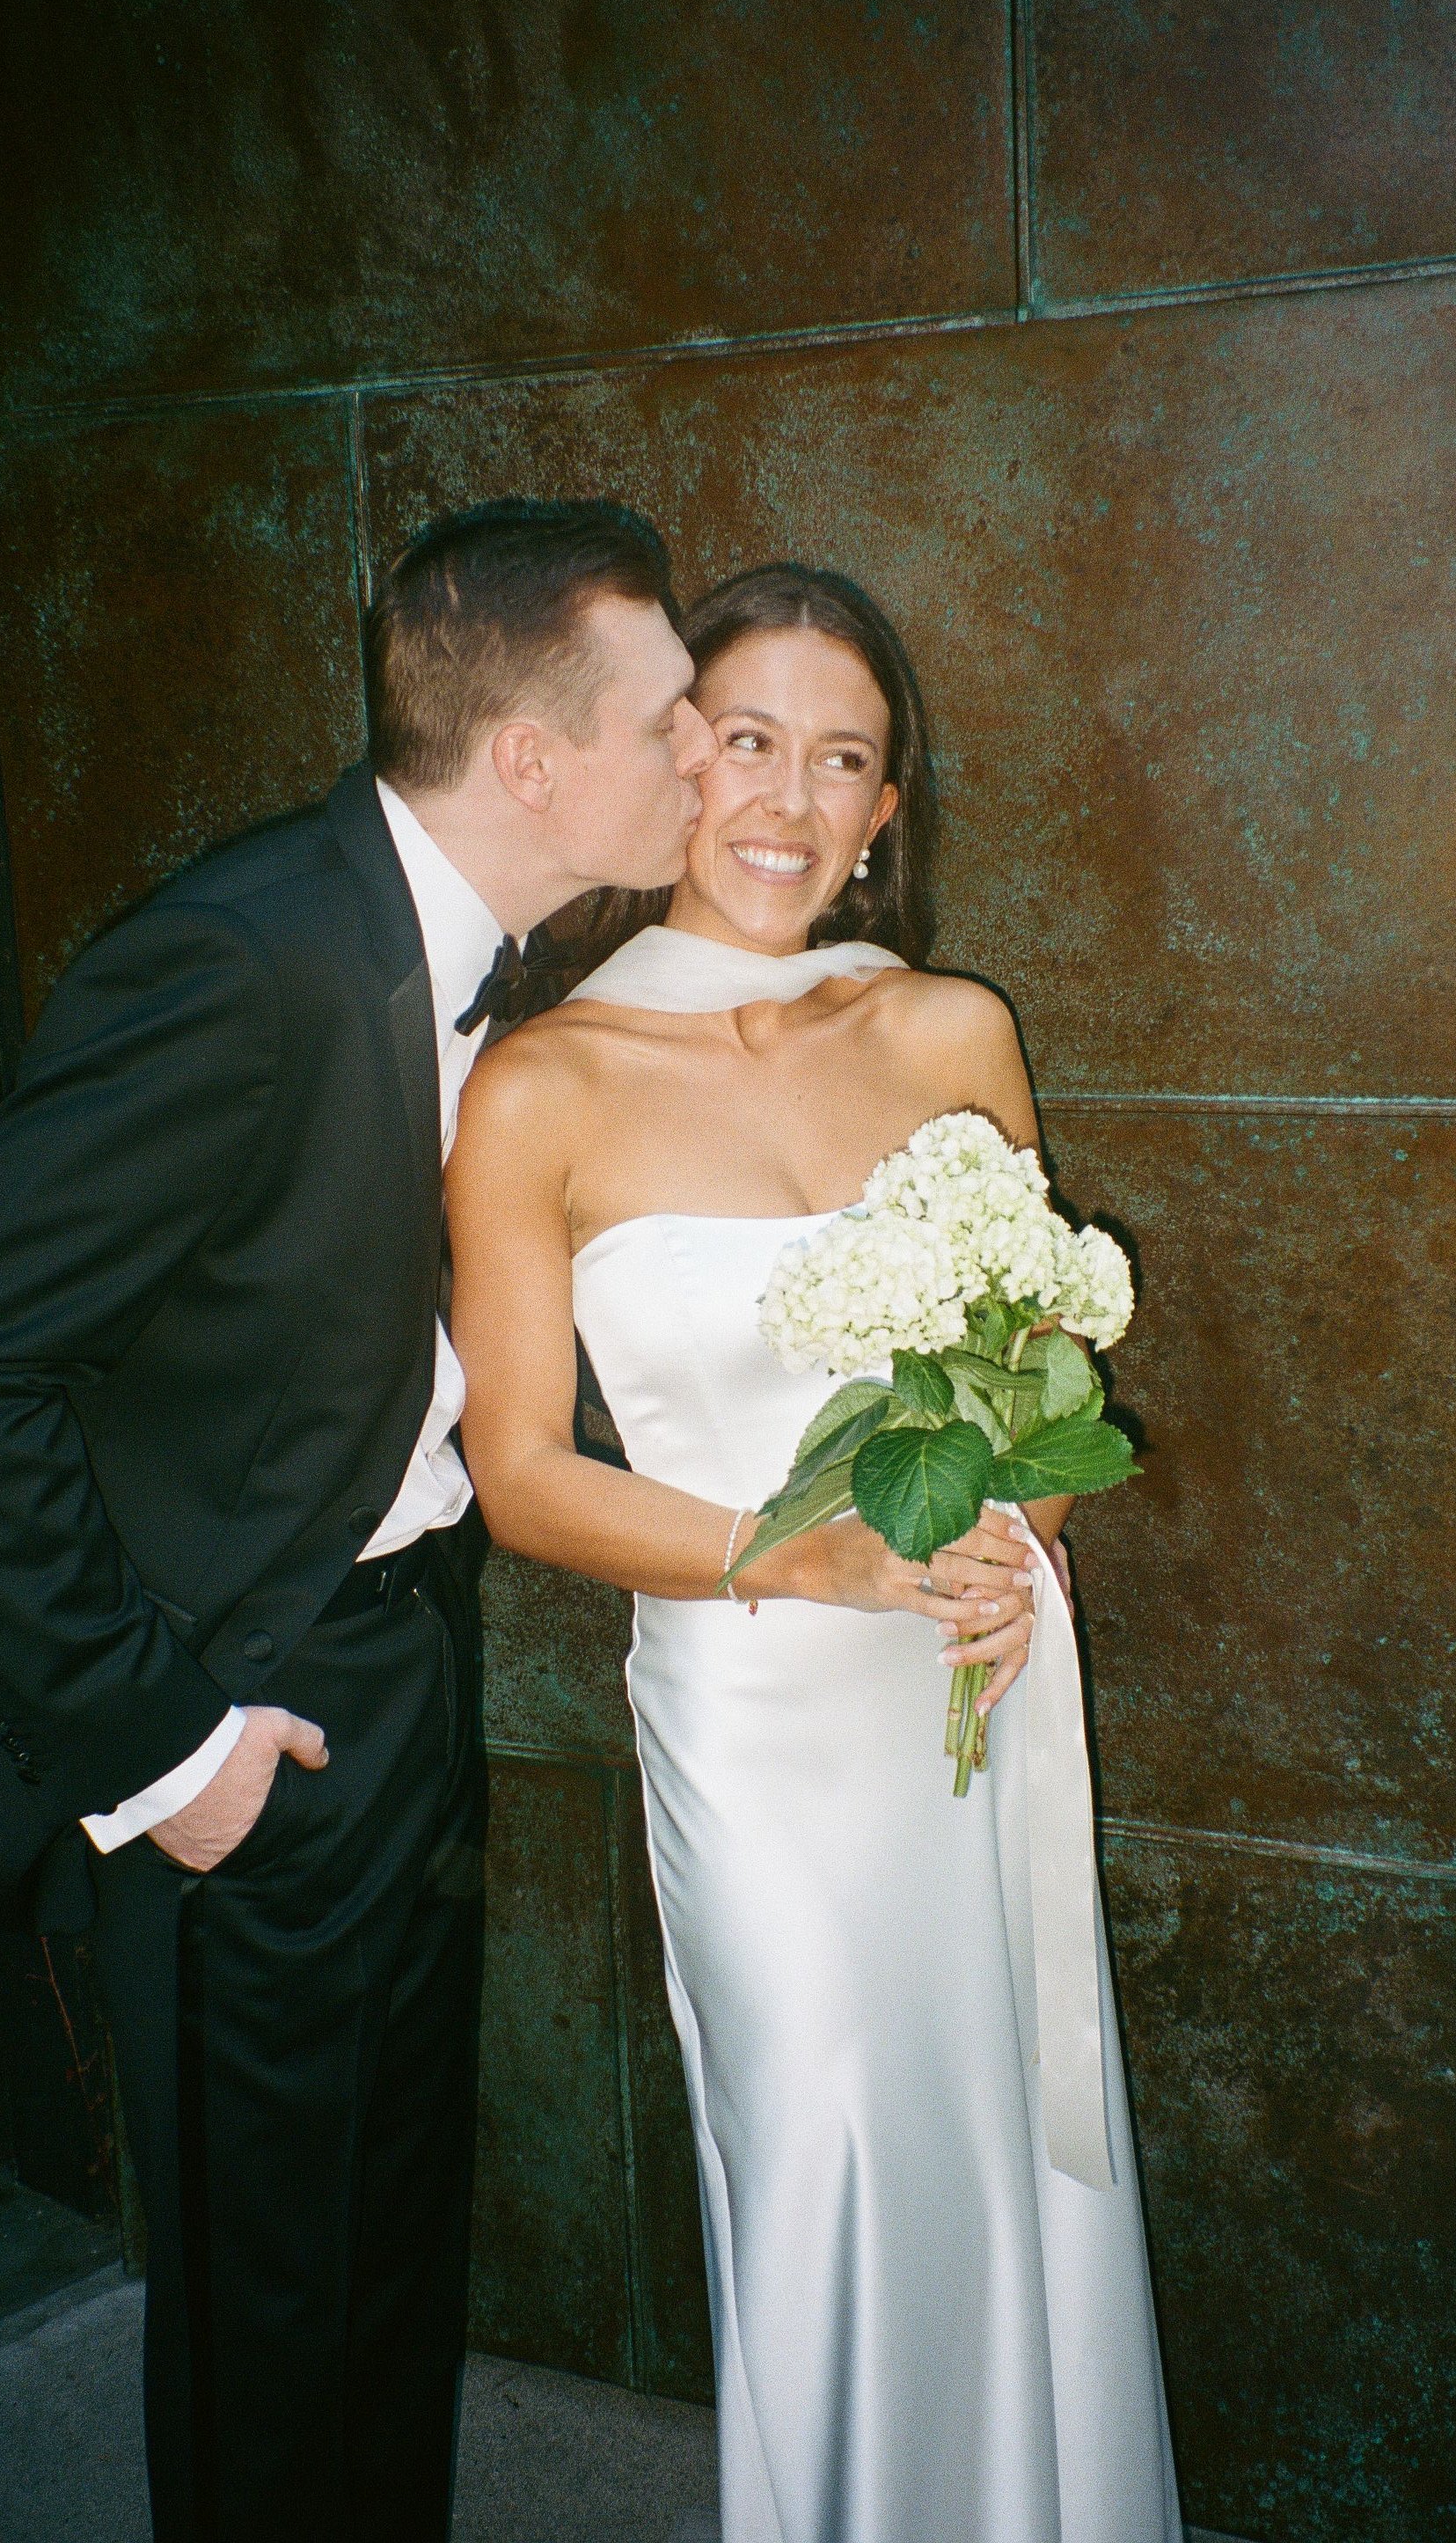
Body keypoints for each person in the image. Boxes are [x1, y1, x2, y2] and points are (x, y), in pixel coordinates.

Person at [0, 498, 718, 2543]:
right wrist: (163, 1751)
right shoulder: (236, 958)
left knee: (381, 2251)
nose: (707, 758)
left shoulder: (498, 966)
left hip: (405, 1661)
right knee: (269, 2297)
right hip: (238, 1708)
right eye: (675, 721)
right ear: (532, 760)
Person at [448, 564, 1182, 2543]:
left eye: (838, 758)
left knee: (1012, 2165)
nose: (784, 794)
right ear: (674, 764)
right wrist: (806, 1562)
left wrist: (1006, 1538)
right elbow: (517, 1474)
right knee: (836, 2162)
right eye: (746, 740)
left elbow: (1040, 1388)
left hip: (973, 1671)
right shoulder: (541, 1082)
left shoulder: (952, 1027)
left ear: (882, 816)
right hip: (758, 1711)